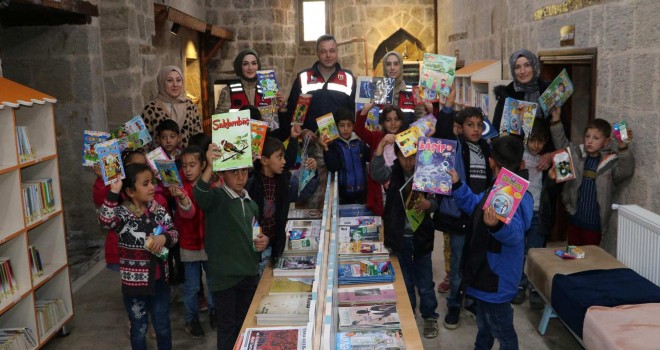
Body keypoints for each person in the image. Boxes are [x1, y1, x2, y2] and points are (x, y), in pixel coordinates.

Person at [450, 135, 534, 350]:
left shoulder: (511, 194)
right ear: (521, 163)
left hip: (495, 280)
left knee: (503, 331)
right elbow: (475, 205)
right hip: (486, 275)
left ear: (490, 162)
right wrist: (458, 184)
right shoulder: (498, 188)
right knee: (485, 325)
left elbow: (515, 234)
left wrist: (497, 226)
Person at [193, 145, 269, 350]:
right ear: (222, 173)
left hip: (248, 274)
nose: (240, 177)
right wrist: (209, 166)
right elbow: (198, 193)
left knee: (244, 324)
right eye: (234, 171)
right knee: (227, 327)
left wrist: (263, 241)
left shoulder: (250, 203)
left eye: (244, 171)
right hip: (225, 278)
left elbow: (256, 236)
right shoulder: (217, 198)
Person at [98, 163, 179, 350]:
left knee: (163, 326)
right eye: (145, 184)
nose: (152, 187)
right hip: (135, 286)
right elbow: (105, 221)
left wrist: (164, 237)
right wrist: (113, 192)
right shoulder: (123, 214)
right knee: (139, 327)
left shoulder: (157, 208)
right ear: (131, 191)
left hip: (160, 282)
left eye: (152, 182)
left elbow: (174, 232)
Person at [432, 84, 493, 329]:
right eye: (470, 124)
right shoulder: (455, 145)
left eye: (479, 125)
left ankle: (472, 300)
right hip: (460, 217)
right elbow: (443, 131)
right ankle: (454, 305)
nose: (476, 129)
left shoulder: (487, 147)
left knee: (476, 262)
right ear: (461, 127)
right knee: (457, 266)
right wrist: (447, 106)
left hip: (481, 216)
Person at [370, 133, 440, 339]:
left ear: (419, 155)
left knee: (426, 282)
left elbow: (439, 201)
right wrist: (382, 143)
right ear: (397, 157)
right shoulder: (391, 175)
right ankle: (409, 313)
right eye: (403, 157)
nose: (408, 161)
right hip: (399, 239)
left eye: (412, 156)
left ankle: (430, 316)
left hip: (422, 238)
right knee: (406, 282)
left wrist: (429, 205)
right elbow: (375, 172)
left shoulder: (428, 173)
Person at [549, 108, 635, 246]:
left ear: (606, 142)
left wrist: (623, 147)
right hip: (574, 218)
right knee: (573, 255)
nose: (589, 141)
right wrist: (556, 120)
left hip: (595, 224)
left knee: (590, 258)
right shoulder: (578, 154)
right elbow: (562, 145)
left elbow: (625, 171)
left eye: (596, 138)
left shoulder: (610, 161)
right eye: (587, 136)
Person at [247, 131, 318, 273]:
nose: (284, 161)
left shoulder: (286, 180)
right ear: (264, 160)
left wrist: (313, 173)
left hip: (275, 244)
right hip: (253, 247)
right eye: (279, 157)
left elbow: (301, 195)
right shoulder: (251, 182)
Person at [172, 146, 218, 338]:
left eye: (192, 165)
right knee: (191, 287)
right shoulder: (180, 188)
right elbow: (188, 213)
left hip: (210, 244)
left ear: (203, 165)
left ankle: (215, 312)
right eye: (184, 166)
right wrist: (182, 197)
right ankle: (191, 320)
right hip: (189, 244)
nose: (188, 170)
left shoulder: (213, 184)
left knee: (214, 281)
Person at [281, 34, 356, 132]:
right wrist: (302, 132)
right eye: (323, 51)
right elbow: (293, 112)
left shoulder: (348, 78)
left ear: (337, 52)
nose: (328, 55)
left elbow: (354, 112)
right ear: (317, 53)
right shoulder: (303, 78)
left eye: (332, 51)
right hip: (309, 140)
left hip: (340, 142)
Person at [354, 103, 407, 216]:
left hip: (400, 192)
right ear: (382, 123)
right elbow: (358, 130)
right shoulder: (376, 137)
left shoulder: (407, 138)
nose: (393, 123)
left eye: (396, 119)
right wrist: (364, 111)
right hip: (379, 193)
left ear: (402, 122)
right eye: (388, 120)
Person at [143, 65, 203, 149]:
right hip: (160, 161)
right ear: (162, 82)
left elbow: (199, 138)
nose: (175, 84)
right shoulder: (150, 109)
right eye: (170, 80)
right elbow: (142, 144)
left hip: (187, 161)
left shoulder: (190, 105)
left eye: (178, 80)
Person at [320, 108, 370, 205]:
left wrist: (371, 138)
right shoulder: (333, 145)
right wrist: (326, 147)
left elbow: (371, 157)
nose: (346, 129)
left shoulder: (360, 143)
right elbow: (333, 167)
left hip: (363, 193)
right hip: (343, 195)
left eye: (349, 125)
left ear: (353, 126)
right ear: (336, 127)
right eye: (342, 125)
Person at [214, 48, 281, 114]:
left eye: (254, 63)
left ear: (258, 66)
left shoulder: (268, 88)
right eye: (245, 64)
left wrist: (281, 106)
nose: (250, 68)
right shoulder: (227, 91)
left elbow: (275, 119)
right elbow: (219, 121)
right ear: (239, 66)